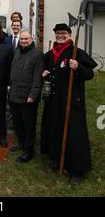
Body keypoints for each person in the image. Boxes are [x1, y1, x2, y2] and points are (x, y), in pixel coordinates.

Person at [40, 23, 97, 184]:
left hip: (72, 101)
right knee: (55, 129)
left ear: (70, 35)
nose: (60, 35)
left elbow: (90, 73)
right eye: (58, 33)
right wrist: (45, 74)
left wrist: (78, 66)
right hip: (55, 100)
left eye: (63, 33)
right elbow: (49, 71)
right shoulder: (51, 54)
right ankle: (58, 159)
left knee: (74, 134)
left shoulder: (76, 52)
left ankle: (77, 169)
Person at [9, 30, 44, 162]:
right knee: (18, 123)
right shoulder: (17, 52)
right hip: (14, 94)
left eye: (26, 39)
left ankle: (29, 150)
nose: (23, 41)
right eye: (21, 39)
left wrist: (33, 95)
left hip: (28, 96)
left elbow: (37, 77)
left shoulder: (37, 54)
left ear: (32, 39)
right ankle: (21, 143)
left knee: (29, 125)